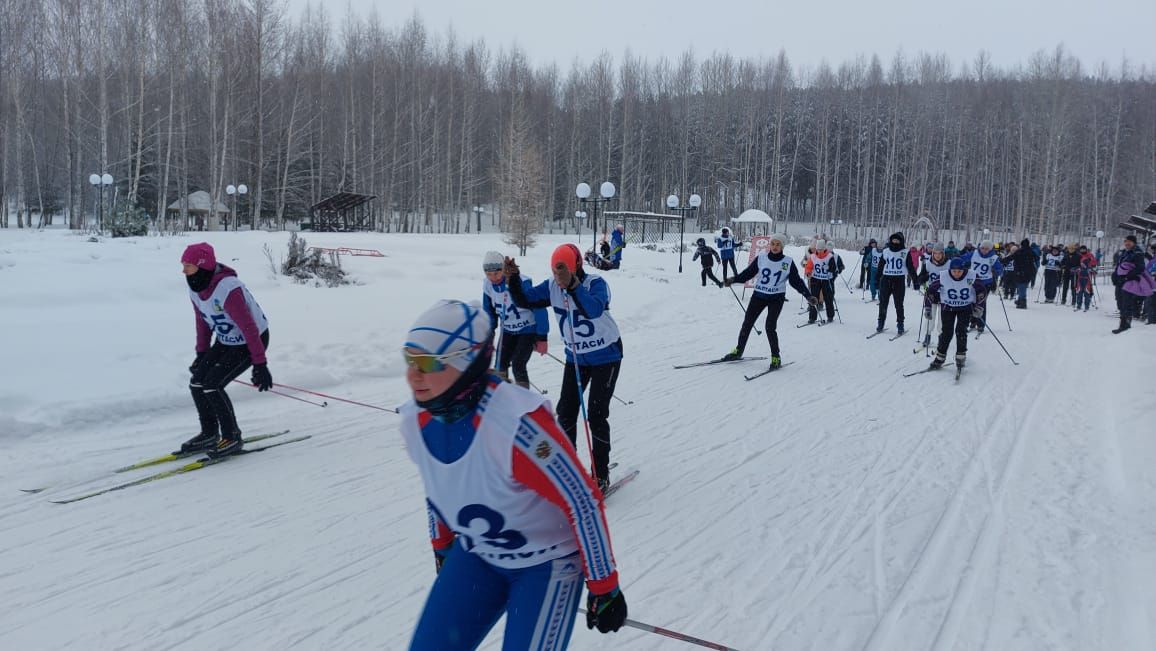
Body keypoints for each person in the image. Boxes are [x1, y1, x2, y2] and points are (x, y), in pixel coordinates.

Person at [399, 299, 627, 650]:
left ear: (465, 362)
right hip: (480, 555)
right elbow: (439, 485)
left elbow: (581, 500)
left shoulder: (518, 427)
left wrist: (604, 584)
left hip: (547, 563)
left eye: (428, 363)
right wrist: (442, 545)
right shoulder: (415, 420)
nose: (413, 375)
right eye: (409, 360)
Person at [506, 244, 623, 491]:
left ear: (577, 266)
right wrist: (514, 279)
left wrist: (573, 286)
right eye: (556, 271)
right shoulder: (551, 286)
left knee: (596, 414)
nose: (559, 278)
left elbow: (593, 310)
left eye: (564, 272)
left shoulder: (596, 284)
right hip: (577, 358)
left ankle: (600, 475)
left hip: (606, 356)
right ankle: (570, 471)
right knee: (566, 413)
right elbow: (525, 300)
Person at [180, 242, 272, 458]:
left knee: (212, 385)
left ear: (202, 266)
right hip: (227, 339)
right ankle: (209, 433)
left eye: (188, 265)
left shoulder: (228, 288)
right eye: (184, 265)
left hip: (252, 341)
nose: (184, 271)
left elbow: (249, 327)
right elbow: (202, 322)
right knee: (197, 383)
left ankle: (232, 436)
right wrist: (201, 354)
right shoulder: (196, 288)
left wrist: (260, 364)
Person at [721, 233, 814, 368]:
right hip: (759, 295)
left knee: (770, 327)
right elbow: (748, 273)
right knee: (747, 323)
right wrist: (733, 280)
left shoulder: (787, 262)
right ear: (769, 244)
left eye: (778, 244)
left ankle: (776, 357)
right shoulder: (762, 258)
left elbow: (796, 282)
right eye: (773, 244)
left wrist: (808, 295)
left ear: (782, 246)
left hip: (776, 298)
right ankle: (738, 351)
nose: (775, 247)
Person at [481, 251, 549, 389]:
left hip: (527, 329)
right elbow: (489, 311)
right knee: (500, 363)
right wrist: (489, 332)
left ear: (503, 269)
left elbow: (539, 308)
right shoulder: (488, 286)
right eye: (488, 274)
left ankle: (523, 397)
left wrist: (542, 337)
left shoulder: (520, 282)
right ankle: (500, 395)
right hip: (508, 330)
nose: (493, 277)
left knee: (518, 364)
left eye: (496, 273)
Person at [926, 257, 980, 369]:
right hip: (947, 307)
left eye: (959, 271)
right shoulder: (943, 276)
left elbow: (981, 291)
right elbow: (930, 291)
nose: (956, 274)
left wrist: (979, 306)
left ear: (963, 270)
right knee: (946, 332)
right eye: (954, 271)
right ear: (950, 270)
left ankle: (960, 356)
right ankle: (940, 357)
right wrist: (928, 307)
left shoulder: (972, 275)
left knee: (961, 331)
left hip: (965, 308)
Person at [1111, 235, 1155, 333]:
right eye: (1126, 241)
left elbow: (1140, 267)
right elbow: (1119, 265)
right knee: (1120, 301)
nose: (1127, 243)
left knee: (1126, 303)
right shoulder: (1124, 252)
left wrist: (1127, 277)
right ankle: (1122, 325)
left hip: (1129, 281)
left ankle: (1125, 326)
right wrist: (1114, 275)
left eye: (1129, 242)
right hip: (1121, 281)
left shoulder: (1137, 253)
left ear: (1134, 243)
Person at [875, 231, 917, 334]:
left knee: (899, 304)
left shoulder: (905, 252)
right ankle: (881, 322)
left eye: (897, 240)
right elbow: (880, 266)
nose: (895, 241)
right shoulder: (886, 251)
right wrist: (877, 279)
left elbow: (910, 267)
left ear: (901, 241)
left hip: (899, 280)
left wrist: (915, 281)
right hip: (886, 279)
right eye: (894, 239)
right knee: (883, 303)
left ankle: (900, 324)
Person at [961, 239, 1002, 334]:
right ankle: (972, 321)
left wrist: (996, 271)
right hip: (972, 282)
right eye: (982, 248)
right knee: (970, 302)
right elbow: (963, 258)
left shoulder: (994, 257)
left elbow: (1000, 269)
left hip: (985, 283)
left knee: (981, 303)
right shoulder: (974, 253)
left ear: (990, 249)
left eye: (986, 249)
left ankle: (980, 324)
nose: (984, 250)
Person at [916, 242, 951, 349]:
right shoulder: (928, 263)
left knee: (942, 318)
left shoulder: (949, 263)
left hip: (945, 294)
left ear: (943, 254)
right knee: (930, 316)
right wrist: (923, 278)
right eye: (935, 253)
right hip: (932, 293)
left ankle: (941, 337)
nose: (937, 255)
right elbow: (921, 276)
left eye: (939, 253)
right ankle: (927, 336)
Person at [805, 239, 838, 323]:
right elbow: (808, 266)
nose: (819, 251)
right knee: (813, 298)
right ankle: (812, 318)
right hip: (815, 279)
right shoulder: (813, 256)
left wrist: (829, 268)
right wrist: (808, 272)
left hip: (826, 279)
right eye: (818, 249)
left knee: (828, 298)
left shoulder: (829, 256)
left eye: (821, 249)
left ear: (824, 249)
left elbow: (834, 268)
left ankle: (830, 316)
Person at [1007, 238, 1037, 308]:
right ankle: (1021, 300)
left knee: (1021, 286)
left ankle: (1022, 302)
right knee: (1023, 287)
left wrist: (1003, 261)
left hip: (1019, 271)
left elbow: (1011, 257)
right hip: (1028, 272)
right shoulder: (1031, 251)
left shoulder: (1020, 251)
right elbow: (1037, 258)